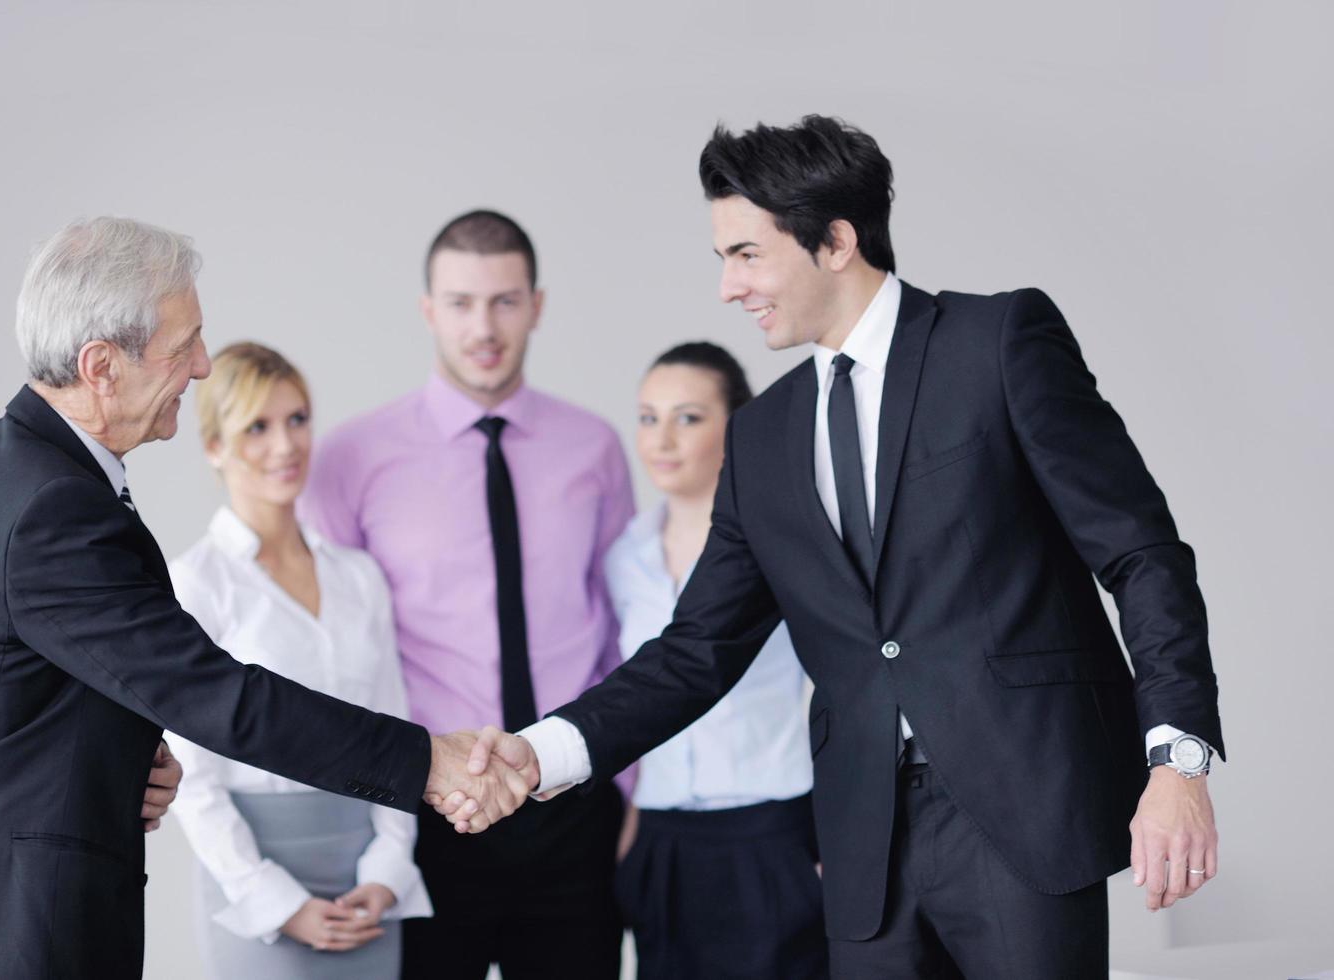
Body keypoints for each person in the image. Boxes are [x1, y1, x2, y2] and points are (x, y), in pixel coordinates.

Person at [443, 117, 1224, 979]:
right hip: (861, 843)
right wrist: (545, 749)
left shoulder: (996, 344)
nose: (727, 288)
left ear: (835, 242)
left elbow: (1141, 554)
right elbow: (696, 649)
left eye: (744, 254)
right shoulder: (761, 438)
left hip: (1020, 816)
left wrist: (1176, 762)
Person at [0, 216, 530, 980]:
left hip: (6, 910)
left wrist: (123, 759)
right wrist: (424, 762)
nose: (203, 367)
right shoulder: (49, 504)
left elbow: (40, 695)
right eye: (183, 347)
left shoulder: (23, 473)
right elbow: (215, 694)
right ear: (101, 365)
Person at [299, 209, 634, 980]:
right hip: (426, 806)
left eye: (504, 301)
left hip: (570, 801)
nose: (483, 326)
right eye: (460, 303)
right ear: (428, 311)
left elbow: (619, 622)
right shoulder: (352, 457)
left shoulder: (594, 447)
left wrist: (628, 788)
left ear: (536, 306)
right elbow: (335, 644)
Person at [163, 342, 432, 978]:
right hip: (254, 881)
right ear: (213, 446)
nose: (286, 446)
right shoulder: (195, 584)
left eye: (297, 419)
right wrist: (275, 901)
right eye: (257, 426)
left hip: (366, 879)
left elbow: (394, 730)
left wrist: (388, 870)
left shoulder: (358, 577)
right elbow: (191, 775)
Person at [607, 341, 826, 979]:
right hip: (664, 839)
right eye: (648, 417)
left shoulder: (787, 542)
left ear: (738, 426)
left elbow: (852, 687)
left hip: (773, 834)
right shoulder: (625, 557)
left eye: (689, 417)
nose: (661, 439)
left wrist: (835, 839)